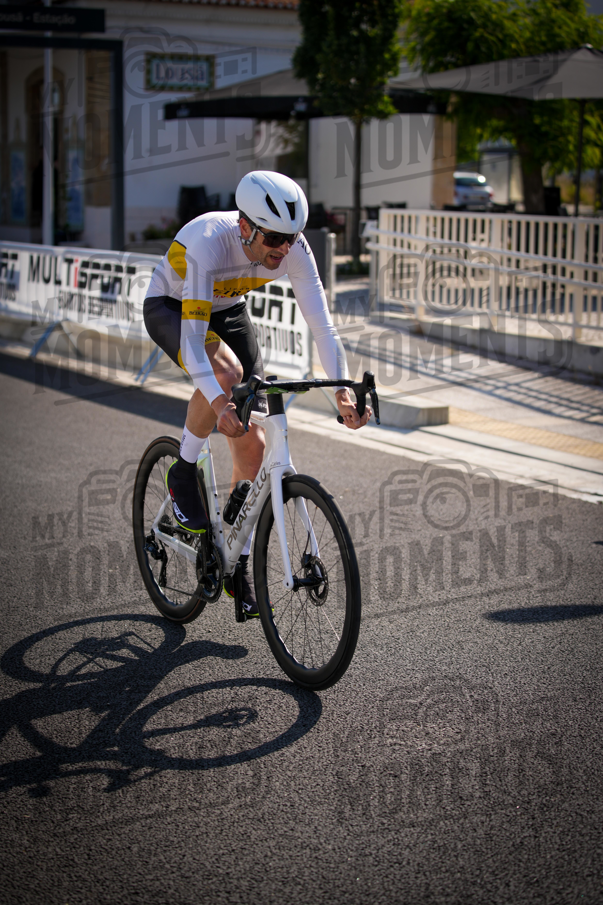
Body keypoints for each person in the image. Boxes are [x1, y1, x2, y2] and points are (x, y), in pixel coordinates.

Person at [143, 170, 370, 617]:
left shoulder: (293, 249)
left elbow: (322, 327)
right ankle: (183, 471)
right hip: (172, 305)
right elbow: (194, 344)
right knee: (225, 374)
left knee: (255, 444)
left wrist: (342, 392)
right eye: (274, 238)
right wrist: (217, 401)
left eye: (292, 237)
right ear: (245, 227)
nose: (284, 248)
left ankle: (237, 562)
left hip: (228, 308)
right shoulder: (210, 242)